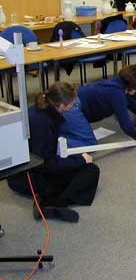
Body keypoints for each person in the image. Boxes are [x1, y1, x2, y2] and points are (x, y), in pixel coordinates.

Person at [7, 82, 100, 223]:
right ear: (62, 105)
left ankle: (49, 200)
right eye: (72, 104)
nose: (73, 107)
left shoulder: (39, 110)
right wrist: (79, 160)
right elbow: (46, 164)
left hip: (21, 172)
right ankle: (54, 203)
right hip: (28, 177)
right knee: (91, 170)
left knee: (79, 164)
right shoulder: (45, 124)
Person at [60, 66, 136, 147]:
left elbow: (134, 105)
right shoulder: (117, 94)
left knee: (71, 130)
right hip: (71, 106)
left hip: (70, 101)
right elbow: (126, 125)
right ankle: (55, 143)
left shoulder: (117, 83)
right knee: (90, 143)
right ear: (132, 84)